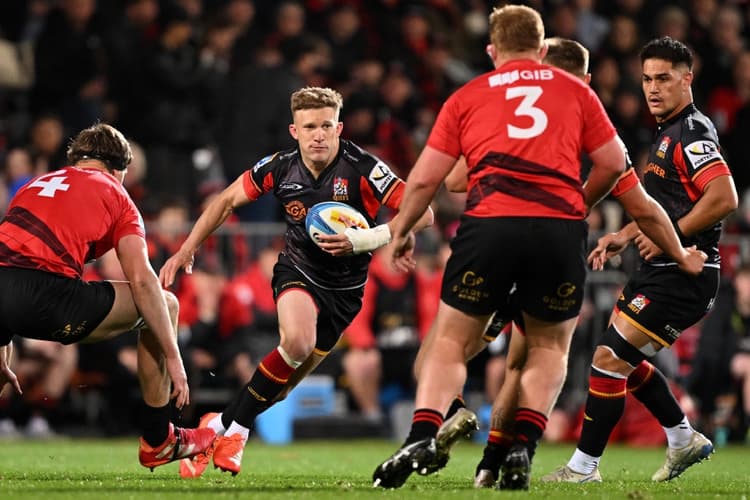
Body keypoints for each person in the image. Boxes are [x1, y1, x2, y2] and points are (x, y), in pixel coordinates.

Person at [423, 36, 708, 487]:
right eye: (647, 79)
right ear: (586, 81)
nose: (652, 88)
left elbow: (456, 180)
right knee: (550, 357)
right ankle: (515, 454)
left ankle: (483, 455)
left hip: (495, 241)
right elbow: (638, 198)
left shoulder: (510, 113)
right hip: (555, 247)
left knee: (473, 351)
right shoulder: (589, 119)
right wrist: (586, 209)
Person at [371, 4, 628, 490]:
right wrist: (577, 204)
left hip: (489, 226)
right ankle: (521, 447)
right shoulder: (577, 91)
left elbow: (426, 179)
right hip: (557, 229)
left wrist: (401, 230)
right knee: (548, 347)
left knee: (449, 342)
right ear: (542, 48)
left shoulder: (468, 94)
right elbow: (614, 162)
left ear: (492, 50)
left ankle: (421, 434)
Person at [159, 86, 433, 478]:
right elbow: (225, 201)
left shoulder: (362, 167)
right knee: (297, 342)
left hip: (345, 294)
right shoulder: (280, 167)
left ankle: (215, 426)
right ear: (294, 131)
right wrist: (187, 249)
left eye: (326, 126)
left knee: (282, 387)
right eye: (309, 127)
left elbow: (424, 212)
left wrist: (371, 239)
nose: (318, 135)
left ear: (339, 128)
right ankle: (237, 432)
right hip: (298, 271)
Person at [542, 36, 738, 484]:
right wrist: (626, 235)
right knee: (623, 362)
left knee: (609, 358)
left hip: (685, 271)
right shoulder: (667, 131)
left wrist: (673, 238)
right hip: (661, 269)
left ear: (687, 80)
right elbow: (665, 205)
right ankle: (682, 438)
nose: (653, 88)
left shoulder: (692, 132)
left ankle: (583, 468)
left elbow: (724, 197)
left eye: (664, 78)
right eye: (647, 79)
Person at [0, 123, 215, 469]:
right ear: (119, 169)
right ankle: (159, 440)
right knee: (166, 303)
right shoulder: (114, 192)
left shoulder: (35, 184)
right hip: (48, 297)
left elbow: (12, 260)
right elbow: (142, 281)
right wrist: (174, 357)